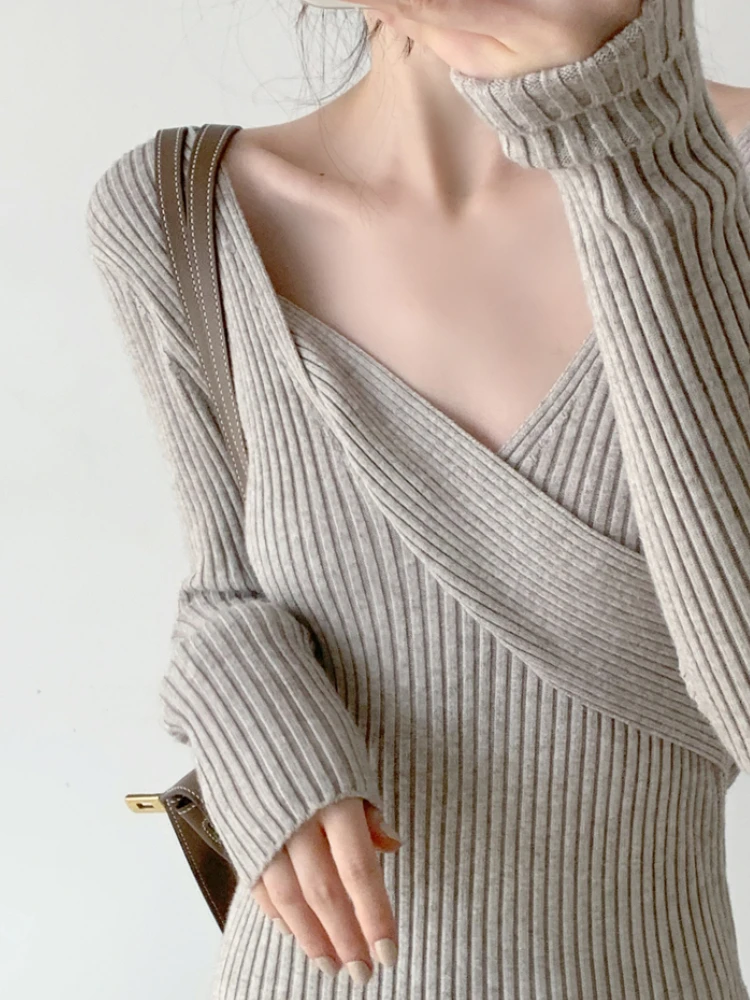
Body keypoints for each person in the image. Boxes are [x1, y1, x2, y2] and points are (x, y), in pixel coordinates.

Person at [86, 0, 750, 995]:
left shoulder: (721, 176)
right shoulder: (181, 208)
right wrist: (257, 723)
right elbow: (223, 589)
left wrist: (632, 145)